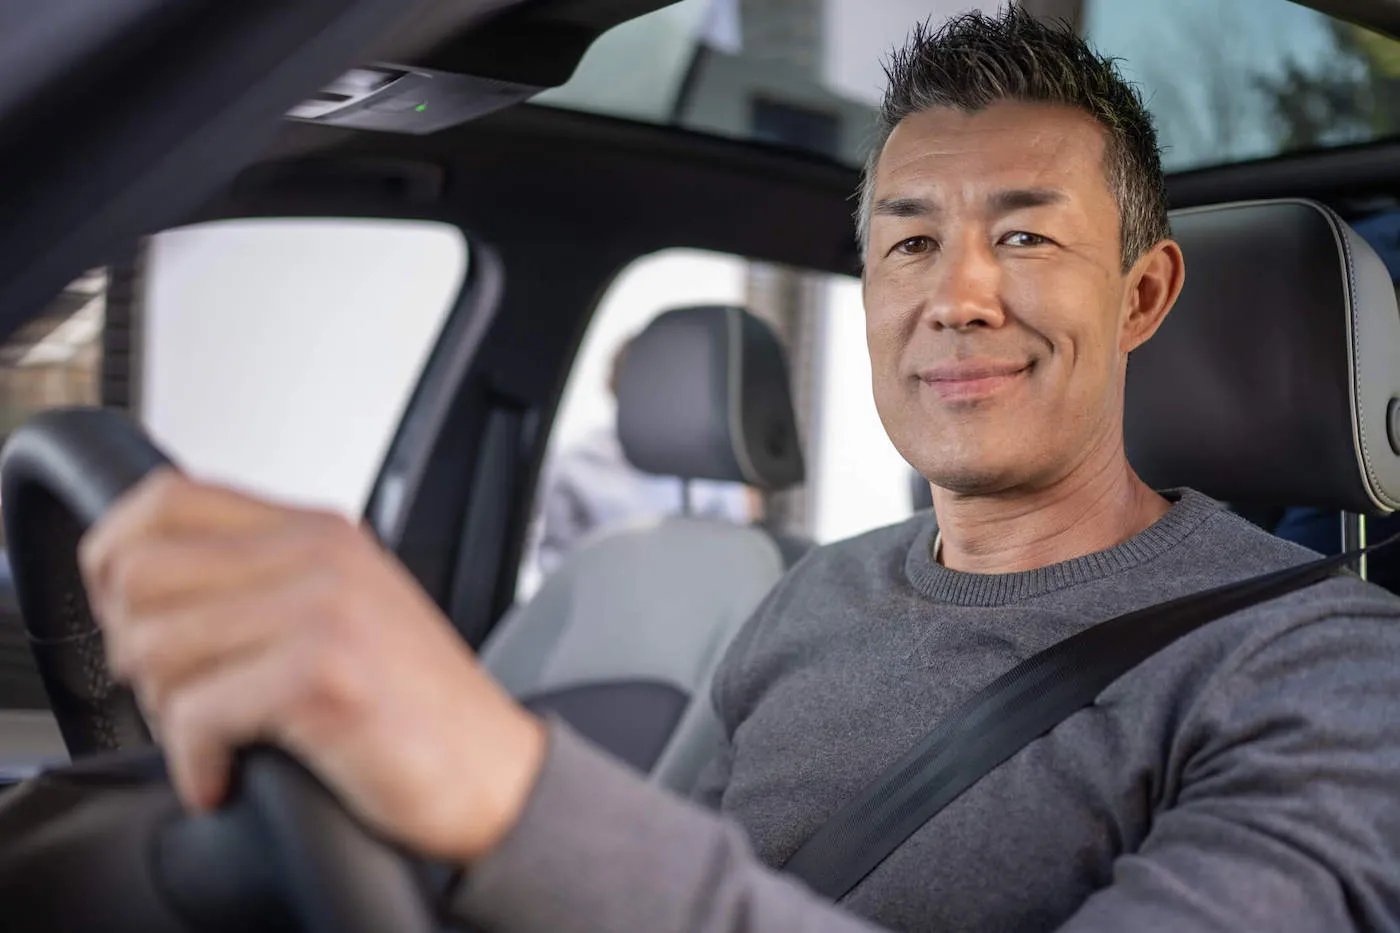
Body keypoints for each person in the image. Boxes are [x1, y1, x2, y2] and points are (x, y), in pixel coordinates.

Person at [77, 8, 1400, 932]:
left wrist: (509, 789)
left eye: (1030, 237)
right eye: (908, 243)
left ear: (1143, 293)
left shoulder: (1329, 668)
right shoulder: (807, 597)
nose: (959, 296)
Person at [530, 336, 753, 580]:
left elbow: (731, 562)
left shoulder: (713, 471)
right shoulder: (577, 466)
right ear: (615, 388)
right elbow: (555, 568)